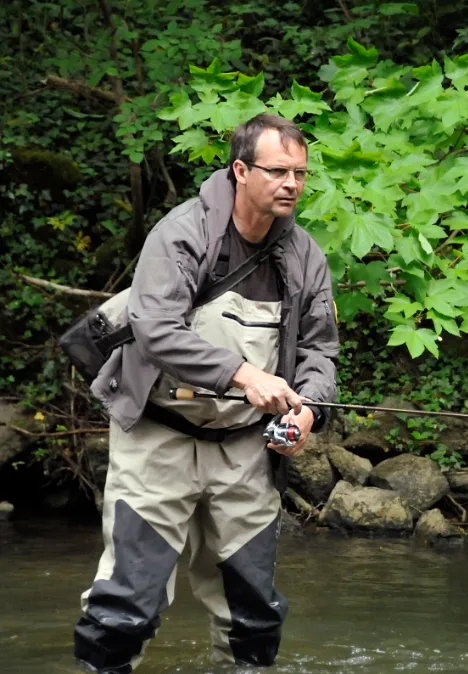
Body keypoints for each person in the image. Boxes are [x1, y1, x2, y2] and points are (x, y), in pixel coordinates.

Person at [72, 113, 339, 673]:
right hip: (158, 438)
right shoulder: (181, 233)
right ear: (241, 170)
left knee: (253, 617)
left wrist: (309, 407)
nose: (292, 183)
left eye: (301, 173)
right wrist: (247, 375)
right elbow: (156, 329)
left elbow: (320, 350)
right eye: (278, 171)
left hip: (244, 448)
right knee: (125, 609)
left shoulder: (306, 255)